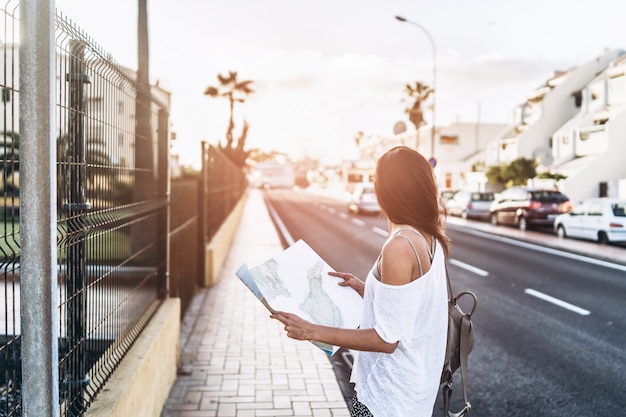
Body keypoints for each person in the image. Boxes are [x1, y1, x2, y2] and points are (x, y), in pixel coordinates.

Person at [271, 146, 450, 417]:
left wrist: (312, 331)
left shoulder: (400, 246)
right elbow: (410, 308)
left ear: (387, 191)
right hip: (413, 395)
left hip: (387, 400)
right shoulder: (429, 238)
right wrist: (366, 289)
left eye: (376, 180)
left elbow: (386, 339)